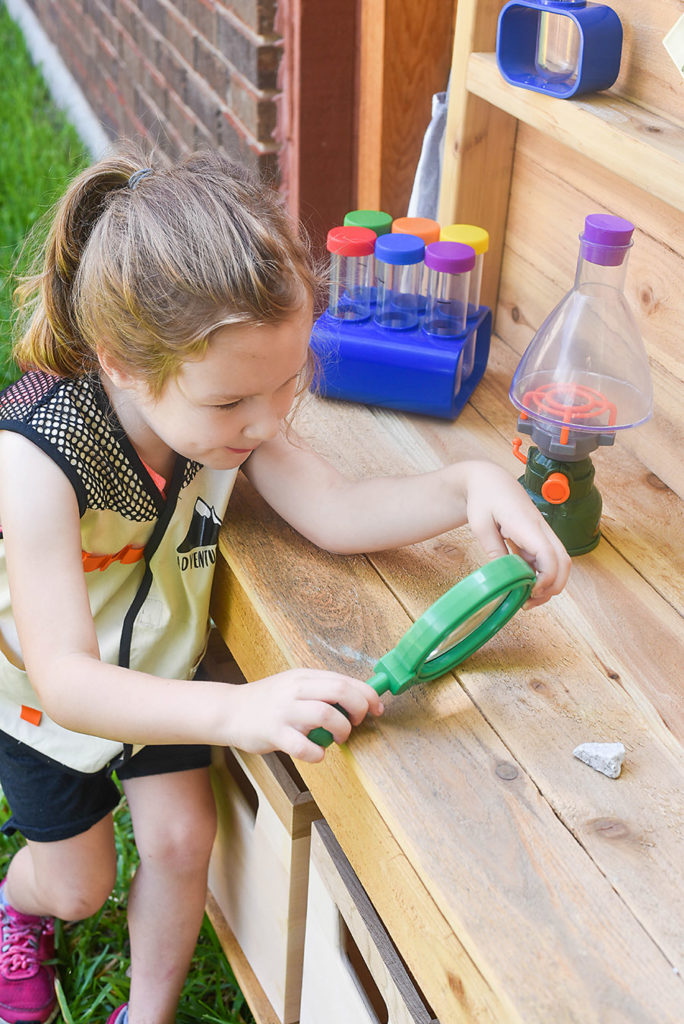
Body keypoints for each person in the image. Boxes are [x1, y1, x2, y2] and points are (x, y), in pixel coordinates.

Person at [0, 145, 570, 1024]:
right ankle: (18, 906)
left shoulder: (226, 410)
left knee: (185, 838)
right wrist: (237, 710)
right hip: (44, 698)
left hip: (158, 675)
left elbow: (337, 511)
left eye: (288, 384)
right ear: (121, 362)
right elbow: (70, 681)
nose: (267, 424)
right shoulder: (36, 462)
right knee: (76, 887)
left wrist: (470, 485)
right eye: (232, 405)